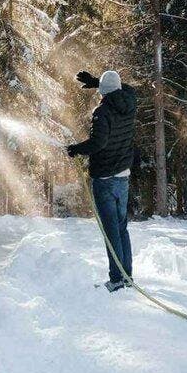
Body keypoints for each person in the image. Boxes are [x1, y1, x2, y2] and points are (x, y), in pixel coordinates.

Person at [67, 70, 137, 292]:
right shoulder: (130, 102)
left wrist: (76, 149)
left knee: (111, 231)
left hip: (105, 178)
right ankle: (126, 276)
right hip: (123, 177)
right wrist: (99, 82)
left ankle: (117, 279)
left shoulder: (102, 112)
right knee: (121, 227)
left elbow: (98, 143)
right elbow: (127, 89)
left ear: (104, 92)